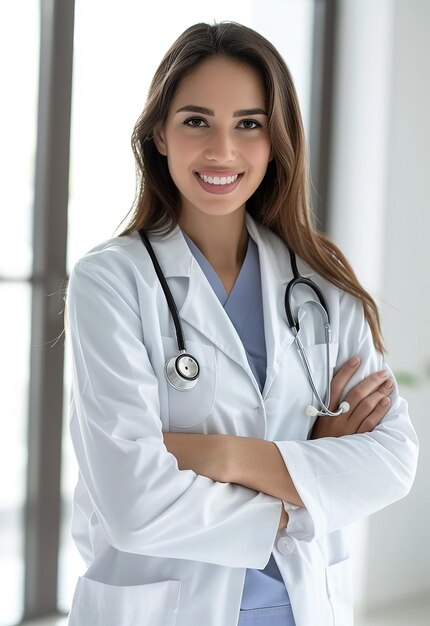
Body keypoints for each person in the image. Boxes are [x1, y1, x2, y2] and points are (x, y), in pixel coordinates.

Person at [65, 21, 418, 626]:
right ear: (159, 134)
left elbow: (391, 461)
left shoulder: (323, 284)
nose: (222, 150)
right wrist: (306, 477)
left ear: (276, 140)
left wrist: (225, 455)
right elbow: (133, 504)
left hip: (304, 608)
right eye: (197, 121)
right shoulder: (111, 280)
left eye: (249, 124)